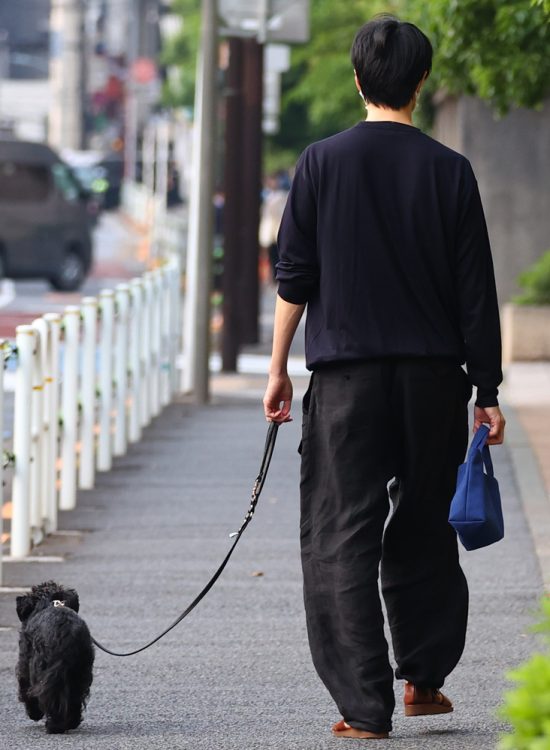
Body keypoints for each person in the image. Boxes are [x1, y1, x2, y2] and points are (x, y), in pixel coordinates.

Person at [263, 15, 505, 741]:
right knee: (425, 525)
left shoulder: (319, 163)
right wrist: (486, 390)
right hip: (434, 382)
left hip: (345, 383)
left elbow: (294, 278)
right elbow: (475, 294)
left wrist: (278, 368)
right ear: (422, 83)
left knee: (341, 534)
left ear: (358, 78)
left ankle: (364, 708)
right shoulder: (449, 171)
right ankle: (423, 681)